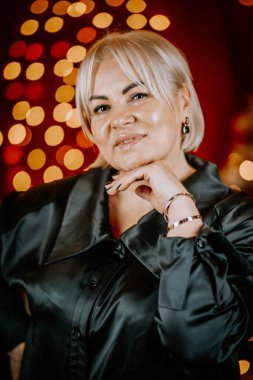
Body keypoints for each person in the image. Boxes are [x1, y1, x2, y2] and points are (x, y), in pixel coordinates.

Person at [0, 29, 253, 380]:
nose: (119, 118)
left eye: (137, 96)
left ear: (181, 101)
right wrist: (15, 345)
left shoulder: (241, 221)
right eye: (102, 106)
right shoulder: (45, 206)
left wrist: (180, 209)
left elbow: (202, 348)